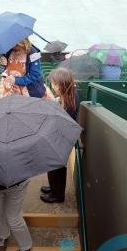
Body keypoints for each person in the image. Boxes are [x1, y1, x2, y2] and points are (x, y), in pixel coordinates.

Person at [40, 68, 80, 204]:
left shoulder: (72, 98)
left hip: (62, 139)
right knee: (52, 164)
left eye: (54, 84)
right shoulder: (67, 95)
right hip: (58, 137)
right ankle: (53, 187)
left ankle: (58, 195)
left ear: (61, 84)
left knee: (57, 166)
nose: (52, 86)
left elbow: (64, 121)